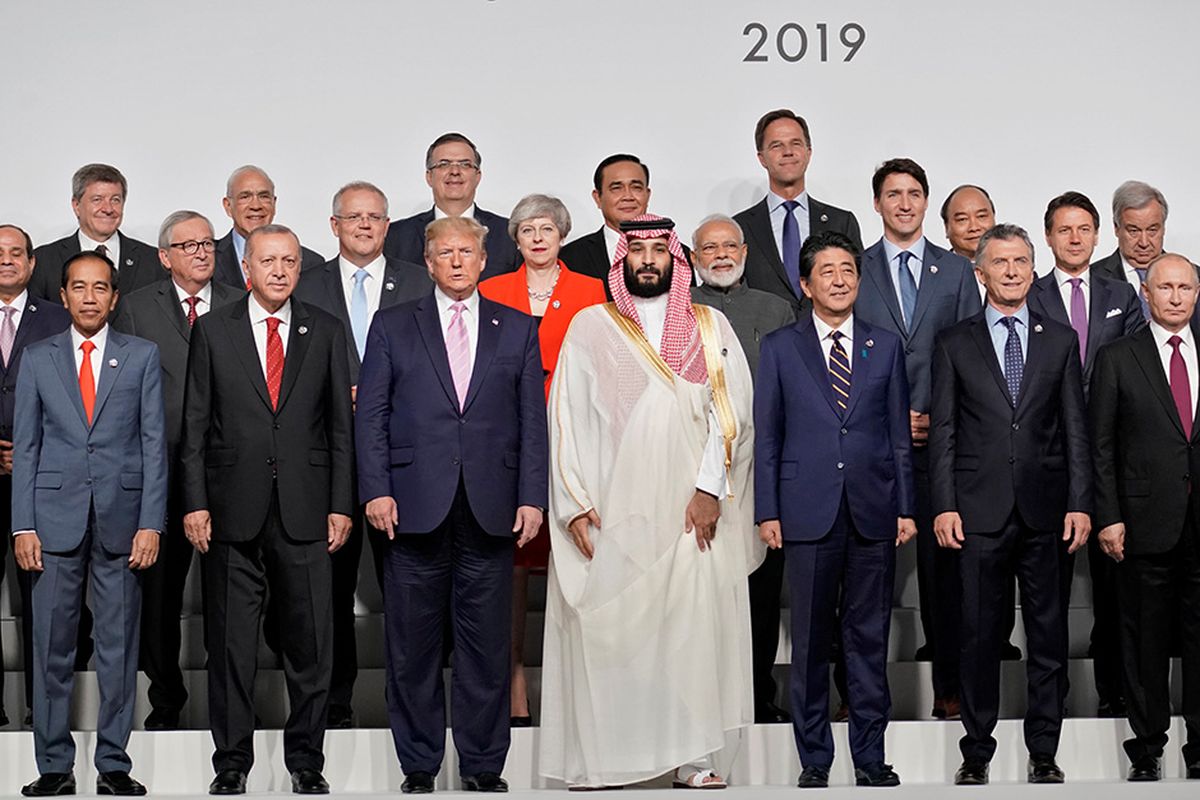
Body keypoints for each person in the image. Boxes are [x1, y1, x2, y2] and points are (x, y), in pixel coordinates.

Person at [540, 213, 760, 789]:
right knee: (620, 634)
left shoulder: (710, 326)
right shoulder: (591, 326)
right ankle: (616, 756)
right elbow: (565, 418)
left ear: (675, 259)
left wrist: (710, 490)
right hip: (618, 510)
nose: (645, 259)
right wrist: (575, 504)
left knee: (692, 636)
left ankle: (697, 759)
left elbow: (731, 414)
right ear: (622, 259)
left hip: (691, 513)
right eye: (635, 249)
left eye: (656, 250)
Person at [356, 216, 547, 794]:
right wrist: (376, 488)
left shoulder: (516, 327)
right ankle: (418, 764)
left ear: (485, 260)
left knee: (486, 647)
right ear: (429, 261)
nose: (458, 261)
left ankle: (484, 764)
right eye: (446, 252)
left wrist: (532, 497)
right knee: (412, 646)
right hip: (412, 505)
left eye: (468, 251)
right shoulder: (392, 326)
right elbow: (373, 417)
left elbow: (531, 423)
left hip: (491, 507)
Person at [180, 224, 354, 796]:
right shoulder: (212, 330)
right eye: (267, 261)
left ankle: (307, 761)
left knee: (311, 644)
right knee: (231, 646)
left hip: (306, 510)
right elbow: (196, 425)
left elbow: (339, 427)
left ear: (300, 268)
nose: (279, 270)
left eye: (289, 261)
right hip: (231, 511)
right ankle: (231, 763)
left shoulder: (325, 330)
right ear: (246, 267)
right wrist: (195, 503)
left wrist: (340, 504)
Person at [930, 223, 1091, 786]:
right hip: (976, 512)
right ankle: (976, 752)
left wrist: (1080, 501)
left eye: (1022, 261)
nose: (1014, 271)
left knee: (1047, 638)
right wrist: (944, 504)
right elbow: (944, 430)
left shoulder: (1060, 338)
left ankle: (1044, 751)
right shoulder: (954, 341)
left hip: (1047, 511)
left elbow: (1075, 428)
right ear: (981, 272)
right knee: (978, 637)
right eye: (1001, 262)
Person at [756, 230, 914, 788]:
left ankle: (870, 758)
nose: (840, 279)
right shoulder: (779, 347)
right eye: (827, 271)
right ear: (806, 283)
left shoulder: (884, 345)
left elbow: (898, 435)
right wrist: (767, 509)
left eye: (848, 269)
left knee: (868, 639)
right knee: (811, 643)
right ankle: (815, 760)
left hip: (873, 510)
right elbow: (767, 437)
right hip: (805, 511)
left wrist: (906, 506)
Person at [13, 250, 167, 797]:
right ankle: (54, 766)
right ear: (63, 295)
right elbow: (26, 449)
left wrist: (152, 522)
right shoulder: (37, 358)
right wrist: (21, 525)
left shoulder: (142, 356)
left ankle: (114, 766)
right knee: (51, 648)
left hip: (123, 525)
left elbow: (153, 445)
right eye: (79, 287)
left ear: (114, 296)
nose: (89, 297)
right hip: (51, 526)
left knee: (119, 649)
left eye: (100, 288)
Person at [293, 181, 429, 728]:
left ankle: (412, 708)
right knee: (329, 594)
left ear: (387, 225)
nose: (366, 226)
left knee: (409, 594)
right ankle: (336, 707)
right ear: (334, 226)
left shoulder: (420, 282)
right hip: (329, 461)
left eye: (375, 217)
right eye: (354, 218)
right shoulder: (306, 284)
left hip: (403, 463)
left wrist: (377, 394)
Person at [855, 158, 982, 719]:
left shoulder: (955, 272)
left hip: (940, 446)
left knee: (943, 575)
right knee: (865, 577)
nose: (904, 203)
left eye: (913, 194)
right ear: (877, 203)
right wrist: (887, 419)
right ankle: (859, 694)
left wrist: (936, 414)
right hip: (872, 449)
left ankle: (949, 688)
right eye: (892, 194)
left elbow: (972, 355)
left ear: (926, 202)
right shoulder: (854, 270)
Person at [112, 211, 245, 730]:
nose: (201, 252)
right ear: (164, 256)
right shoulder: (138, 307)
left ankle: (226, 706)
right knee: (159, 597)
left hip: (229, 473)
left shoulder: (240, 301)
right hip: (159, 474)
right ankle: (165, 700)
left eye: (208, 243)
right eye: (187, 246)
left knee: (229, 597)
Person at [478, 194, 605, 727]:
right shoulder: (490, 290)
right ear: (515, 238)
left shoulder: (592, 291)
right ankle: (513, 678)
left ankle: (579, 683)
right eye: (526, 229)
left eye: (547, 228)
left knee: (577, 557)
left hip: (575, 435)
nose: (536, 237)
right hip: (508, 436)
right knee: (512, 564)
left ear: (562, 235)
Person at [1027, 192, 1144, 717]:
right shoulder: (1029, 294)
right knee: (1048, 587)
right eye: (1063, 230)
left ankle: (1114, 694)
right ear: (1048, 237)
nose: (1074, 238)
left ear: (1098, 236)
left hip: (1113, 456)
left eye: (1083, 229)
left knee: (1116, 585)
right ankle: (1053, 700)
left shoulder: (1122, 293)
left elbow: (1139, 366)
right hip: (1048, 454)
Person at [1090, 253, 1200, 782]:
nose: (1176, 296)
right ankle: (1148, 745)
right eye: (1166, 287)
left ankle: (1199, 746)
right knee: (1144, 641)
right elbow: (1101, 445)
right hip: (1141, 522)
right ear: (1147, 295)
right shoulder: (1117, 356)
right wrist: (1108, 516)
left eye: (1185, 287)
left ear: (1196, 294)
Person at [689, 213, 794, 725]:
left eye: (731, 245)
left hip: (764, 472)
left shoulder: (775, 310)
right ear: (692, 258)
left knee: (761, 589)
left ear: (747, 252)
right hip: (695, 476)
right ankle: (703, 703)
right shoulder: (678, 312)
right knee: (698, 593)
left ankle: (757, 696)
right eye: (710, 248)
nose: (722, 255)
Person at [0, 225, 71, 730]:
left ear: (31, 263)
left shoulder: (59, 319)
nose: (7, 261)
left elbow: (74, 394)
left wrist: (30, 453)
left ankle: (39, 708)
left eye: (16, 253)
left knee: (41, 598)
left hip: (44, 478)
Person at [734, 110, 863, 313]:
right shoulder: (741, 227)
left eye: (796, 143)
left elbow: (857, 289)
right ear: (761, 158)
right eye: (777, 145)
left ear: (808, 152)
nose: (788, 152)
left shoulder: (841, 222)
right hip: (766, 341)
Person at [29, 163, 165, 308]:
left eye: (115, 200)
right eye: (97, 199)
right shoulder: (44, 260)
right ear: (76, 206)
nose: (108, 209)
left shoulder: (153, 261)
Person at [384, 132, 519, 276]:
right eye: (444, 164)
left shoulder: (509, 234)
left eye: (465, 164)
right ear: (429, 176)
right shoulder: (396, 236)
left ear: (477, 176)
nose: (455, 171)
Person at [213, 165, 325, 290]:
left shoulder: (310, 263)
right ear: (228, 206)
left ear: (274, 203)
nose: (255, 205)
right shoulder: (208, 259)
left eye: (264, 196)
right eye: (245, 197)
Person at [559, 154, 654, 282]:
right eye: (616, 188)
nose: (627, 196)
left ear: (647, 196)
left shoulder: (676, 255)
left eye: (636, 188)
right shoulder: (569, 257)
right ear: (598, 198)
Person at [1091, 181, 1168, 316]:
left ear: (1163, 228)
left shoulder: (1194, 276)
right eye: (1134, 231)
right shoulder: (1091, 278)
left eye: (1152, 230)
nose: (1144, 242)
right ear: (1116, 227)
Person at [940, 185, 995, 304]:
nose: (974, 227)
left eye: (981, 216)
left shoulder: (1017, 273)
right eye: (962, 219)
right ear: (946, 227)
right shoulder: (933, 278)